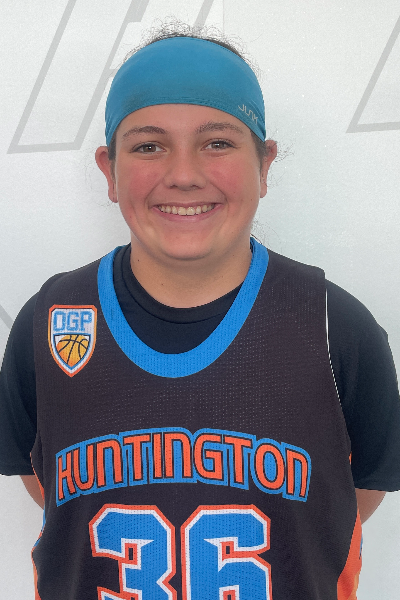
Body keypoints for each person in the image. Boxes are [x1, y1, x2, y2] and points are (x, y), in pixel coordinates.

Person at [1, 22, 400, 600]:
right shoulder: (51, 321)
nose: (184, 175)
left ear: (264, 165)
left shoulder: (335, 327)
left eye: (217, 143)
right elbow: (44, 483)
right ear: (109, 171)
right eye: (148, 145)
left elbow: (353, 494)